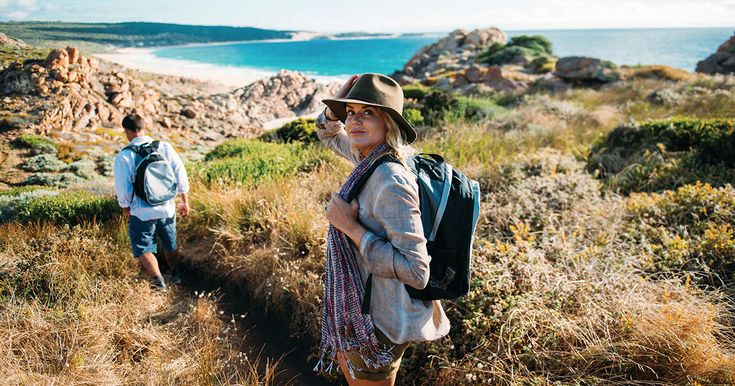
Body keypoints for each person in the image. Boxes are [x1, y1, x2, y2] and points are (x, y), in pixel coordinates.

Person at [314, 73, 450, 385]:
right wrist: (337, 107)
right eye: (352, 113)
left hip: (380, 323)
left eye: (368, 113)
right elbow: (327, 132)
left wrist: (350, 227)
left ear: (388, 123)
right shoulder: (370, 158)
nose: (354, 122)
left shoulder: (390, 178)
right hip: (364, 310)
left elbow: (417, 272)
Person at [113, 113, 190, 291]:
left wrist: (125, 207)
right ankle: (176, 274)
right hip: (167, 207)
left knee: (143, 248)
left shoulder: (125, 156)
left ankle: (159, 282)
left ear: (126, 131)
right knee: (170, 243)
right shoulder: (164, 147)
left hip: (141, 211)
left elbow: (122, 189)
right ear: (143, 127)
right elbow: (180, 173)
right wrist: (184, 200)